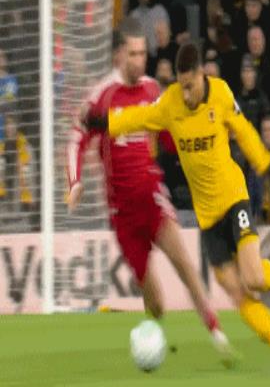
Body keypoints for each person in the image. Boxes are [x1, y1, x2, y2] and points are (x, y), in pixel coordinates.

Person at [85, 41, 270, 374]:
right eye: (181, 85)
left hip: (234, 198)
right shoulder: (171, 102)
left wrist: (263, 161)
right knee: (235, 291)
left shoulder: (220, 93)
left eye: (190, 85)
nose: (186, 93)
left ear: (201, 74)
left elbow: (243, 129)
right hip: (207, 217)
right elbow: (138, 117)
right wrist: (103, 121)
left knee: (253, 277)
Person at [66, 19, 234, 366]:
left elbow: (172, 134)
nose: (140, 60)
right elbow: (76, 137)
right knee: (156, 304)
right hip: (123, 215)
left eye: (143, 53)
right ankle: (150, 340)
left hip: (152, 198)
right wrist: (75, 181)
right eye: (133, 54)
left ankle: (218, 334)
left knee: (185, 264)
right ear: (118, 55)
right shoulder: (102, 97)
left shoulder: (153, 90)